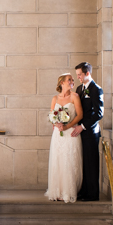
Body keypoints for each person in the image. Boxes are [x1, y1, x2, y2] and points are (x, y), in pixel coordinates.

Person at [45, 74, 84, 202]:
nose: (72, 82)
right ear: (61, 82)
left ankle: (68, 191)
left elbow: (79, 115)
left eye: (73, 80)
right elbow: (52, 115)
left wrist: (67, 127)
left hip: (71, 133)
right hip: (58, 134)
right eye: (70, 80)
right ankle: (57, 191)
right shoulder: (54, 98)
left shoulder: (75, 97)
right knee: (58, 160)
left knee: (69, 161)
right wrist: (55, 123)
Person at [71, 62, 103, 201]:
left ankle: (92, 194)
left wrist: (82, 126)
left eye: (80, 75)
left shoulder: (96, 89)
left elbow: (99, 113)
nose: (77, 77)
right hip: (80, 132)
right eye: (77, 75)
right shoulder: (79, 89)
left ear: (87, 73)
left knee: (91, 163)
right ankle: (84, 191)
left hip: (91, 132)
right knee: (83, 162)